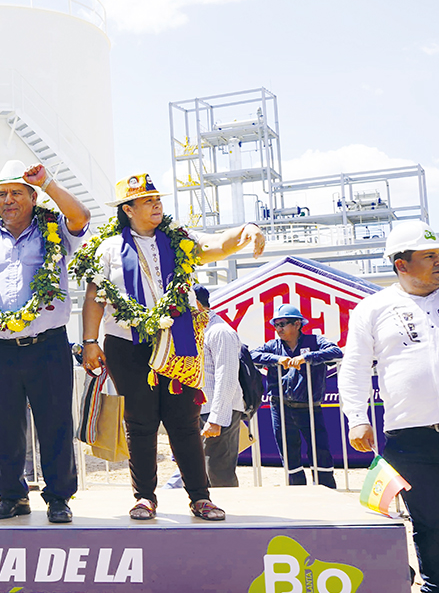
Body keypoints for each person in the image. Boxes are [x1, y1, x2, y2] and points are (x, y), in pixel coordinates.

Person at [78, 173, 265, 522]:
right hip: (127, 344)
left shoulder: (179, 240)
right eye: (148, 201)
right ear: (128, 209)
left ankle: (200, 497)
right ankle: (145, 498)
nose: (156, 205)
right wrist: (89, 342)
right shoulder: (106, 249)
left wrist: (247, 230)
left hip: (177, 340)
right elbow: (94, 297)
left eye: (157, 199)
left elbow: (217, 244)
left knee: (184, 421)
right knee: (140, 423)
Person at [0, 160, 89, 522]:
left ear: (33, 197)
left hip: (46, 344)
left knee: (55, 423)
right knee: (3, 425)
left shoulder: (54, 230)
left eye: (16, 192)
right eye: (2, 194)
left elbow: (81, 217)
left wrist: (50, 184)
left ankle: (59, 498)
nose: (8, 200)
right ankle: (12, 496)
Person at [340, 220, 439, 593]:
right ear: (402, 265)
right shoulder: (373, 309)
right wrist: (358, 418)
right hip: (410, 439)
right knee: (428, 521)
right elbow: (355, 368)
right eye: (429, 257)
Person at [252, 303, 342, 488]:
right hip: (281, 406)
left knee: (320, 450)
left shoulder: (314, 341)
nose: (279, 329)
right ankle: (297, 491)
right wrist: (277, 359)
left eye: (283, 323)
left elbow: (336, 352)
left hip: (310, 406)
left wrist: (307, 358)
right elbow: (252, 355)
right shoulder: (273, 346)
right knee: (288, 450)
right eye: (276, 325)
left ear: (298, 324)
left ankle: (326, 490)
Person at [165, 285, 245, 489]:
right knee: (197, 471)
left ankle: (233, 518)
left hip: (217, 412)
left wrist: (216, 419)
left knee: (218, 473)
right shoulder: (197, 331)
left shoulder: (220, 331)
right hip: (200, 411)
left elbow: (226, 376)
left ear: (196, 304)